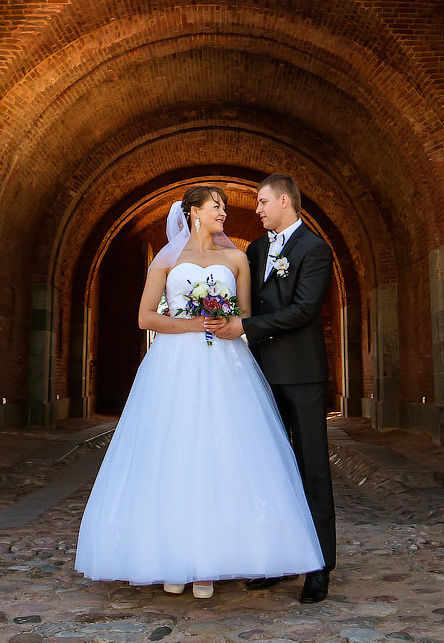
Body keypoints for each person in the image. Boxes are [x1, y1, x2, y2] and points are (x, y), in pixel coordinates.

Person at [73, 184, 324, 597]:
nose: (223, 212)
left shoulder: (237, 258)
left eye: (224, 207)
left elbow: (245, 316)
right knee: (173, 453)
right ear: (193, 213)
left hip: (226, 365)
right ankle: (173, 558)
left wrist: (226, 323)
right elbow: (144, 317)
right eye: (216, 206)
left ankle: (209, 563)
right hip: (174, 366)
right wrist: (191, 324)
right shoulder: (167, 259)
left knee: (221, 456)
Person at [241, 172, 335, 603]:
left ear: (284, 200)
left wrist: (245, 329)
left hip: (302, 374)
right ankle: (276, 559)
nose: (256, 209)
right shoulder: (256, 249)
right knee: (270, 472)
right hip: (261, 374)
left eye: (261, 202)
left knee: (311, 468)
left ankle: (319, 566)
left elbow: (303, 309)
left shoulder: (316, 249)